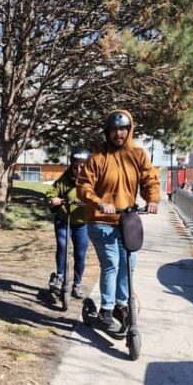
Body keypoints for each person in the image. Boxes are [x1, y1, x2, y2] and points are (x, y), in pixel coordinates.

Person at [77, 109, 160, 331]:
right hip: (101, 220)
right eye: (114, 129)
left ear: (129, 130)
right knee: (111, 263)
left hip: (126, 219)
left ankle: (121, 306)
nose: (118, 133)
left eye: (123, 129)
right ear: (107, 132)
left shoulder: (138, 154)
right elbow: (84, 186)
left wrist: (152, 199)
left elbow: (150, 180)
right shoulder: (97, 158)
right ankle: (106, 309)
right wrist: (98, 202)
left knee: (129, 263)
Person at [46, 148, 90, 299]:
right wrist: (53, 199)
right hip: (63, 220)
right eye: (76, 167)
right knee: (62, 246)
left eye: (82, 167)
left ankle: (77, 284)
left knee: (80, 254)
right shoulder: (63, 180)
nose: (79, 170)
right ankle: (59, 276)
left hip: (82, 224)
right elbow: (50, 193)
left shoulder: (92, 181)